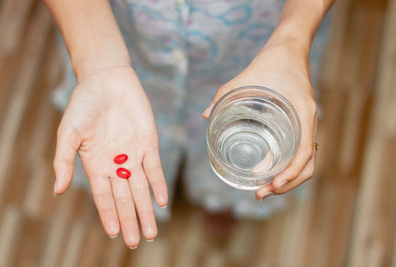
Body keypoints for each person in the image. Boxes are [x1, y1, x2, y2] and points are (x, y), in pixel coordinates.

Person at [45, 0, 333, 249]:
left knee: (244, 156)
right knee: (128, 147)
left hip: (256, 48)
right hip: (120, 40)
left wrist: (292, 39)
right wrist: (100, 66)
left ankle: (222, 201)